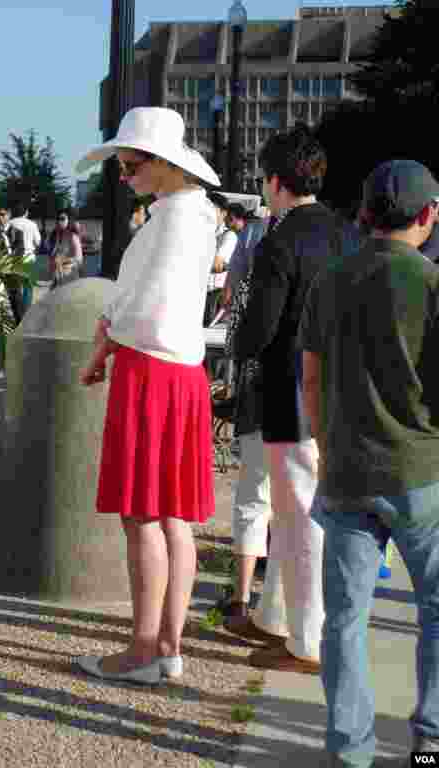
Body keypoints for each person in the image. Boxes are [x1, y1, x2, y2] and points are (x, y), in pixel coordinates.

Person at [299, 160, 439, 767]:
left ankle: (349, 752)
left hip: (347, 470)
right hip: (419, 471)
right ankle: (430, 740)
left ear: (365, 214)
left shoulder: (330, 279)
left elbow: (310, 379)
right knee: (435, 607)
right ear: (429, 216)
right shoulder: (429, 282)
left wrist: (327, 448)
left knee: (346, 618)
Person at [75, 106, 220, 684]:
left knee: (142, 516)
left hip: (151, 371)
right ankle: (168, 645)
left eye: (130, 163)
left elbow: (138, 308)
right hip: (181, 371)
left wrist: (103, 344)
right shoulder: (196, 215)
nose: (123, 173)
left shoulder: (170, 222)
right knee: (173, 517)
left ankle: (142, 648)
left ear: (162, 162)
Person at [227, 124, 348, 675]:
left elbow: (258, 332)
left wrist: (237, 345)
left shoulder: (280, 240)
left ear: (275, 182)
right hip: (338, 392)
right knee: (297, 512)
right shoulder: (346, 232)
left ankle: (307, 641)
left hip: (289, 393)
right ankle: (278, 619)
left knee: (297, 518)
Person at [217, 207, 276, 623]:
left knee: (253, 496)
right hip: (303, 400)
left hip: (258, 394)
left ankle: (240, 597)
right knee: (296, 505)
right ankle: (279, 608)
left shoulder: (252, 239)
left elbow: (237, 344)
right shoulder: (329, 238)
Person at [205, 192, 239, 327]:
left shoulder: (228, 236)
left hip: (213, 296)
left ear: (224, 213)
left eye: (212, 209)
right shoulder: (203, 233)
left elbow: (216, 265)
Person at [5, 202, 42, 322]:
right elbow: (38, 242)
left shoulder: (9, 223)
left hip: (14, 259)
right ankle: (27, 313)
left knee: (15, 289)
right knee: (28, 287)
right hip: (29, 258)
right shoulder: (32, 224)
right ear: (26, 212)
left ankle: (18, 313)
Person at [48, 211, 83, 287]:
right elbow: (52, 254)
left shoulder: (73, 236)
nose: (59, 221)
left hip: (70, 273)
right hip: (57, 274)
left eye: (62, 219)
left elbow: (79, 258)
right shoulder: (55, 235)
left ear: (69, 220)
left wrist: (63, 260)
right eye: (58, 219)